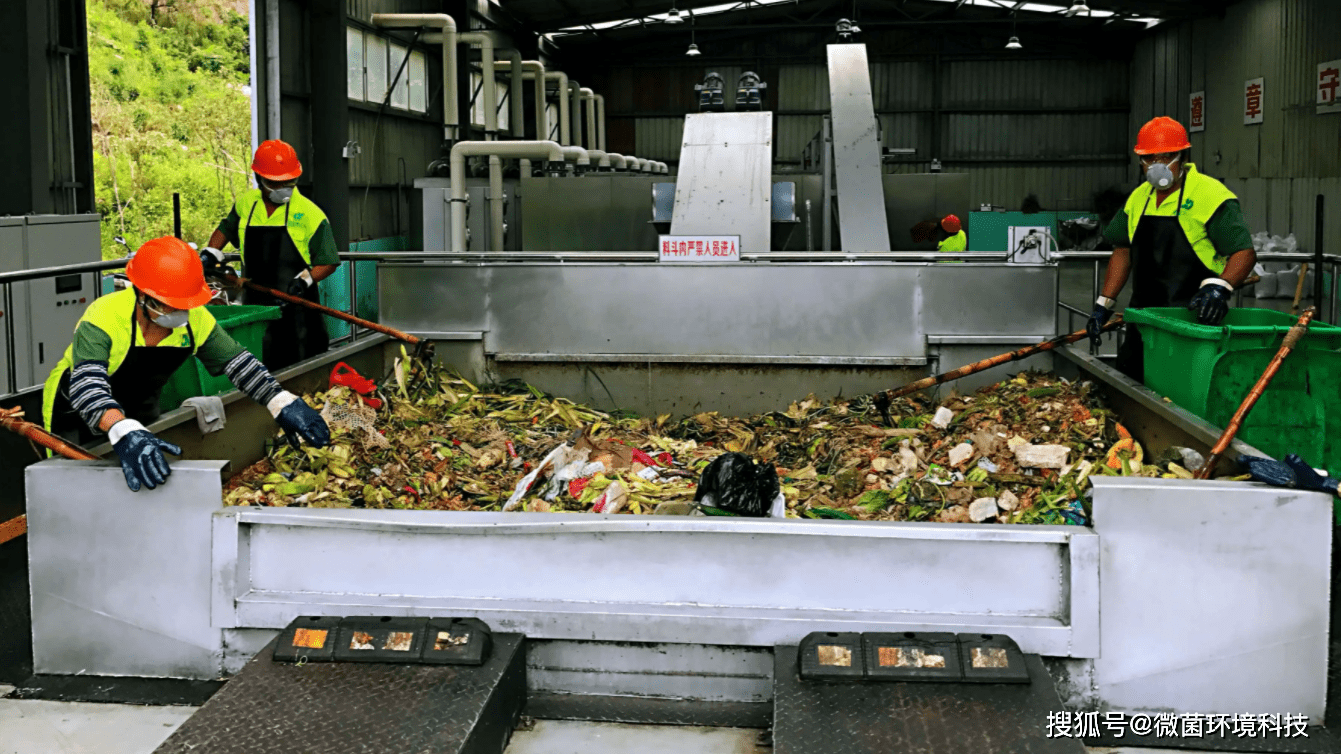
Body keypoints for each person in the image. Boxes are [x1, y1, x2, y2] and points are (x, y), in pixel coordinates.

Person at [42, 237, 331, 492]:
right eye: (172, 304)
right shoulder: (105, 315)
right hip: (75, 416)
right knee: (77, 492)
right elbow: (87, 385)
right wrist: (121, 429)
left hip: (138, 411)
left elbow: (239, 364)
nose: (182, 312)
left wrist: (280, 401)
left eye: (186, 304)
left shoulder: (195, 319)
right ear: (143, 295)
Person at [1088, 116, 1255, 380]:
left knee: (1182, 394)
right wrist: (1103, 304)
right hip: (1143, 322)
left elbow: (1243, 252)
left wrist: (1220, 288)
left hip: (1191, 323)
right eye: (1150, 159)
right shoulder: (1138, 197)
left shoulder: (1211, 195)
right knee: (1134, 388)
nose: (1158, 167)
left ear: (1183, 156)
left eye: (1166, 158)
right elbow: (1122, 250)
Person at [200, 139, 340, 370]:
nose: (284, 188)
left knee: (299, 372)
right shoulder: (246, 204)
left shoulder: (310, 213)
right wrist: (211, 253)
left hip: (297, 310)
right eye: (277, 183)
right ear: (260, 179)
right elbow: (225, 229)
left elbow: (328, 261)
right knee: (259, 366)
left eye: (290, 182)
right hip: (256, 306)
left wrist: (304, 280)